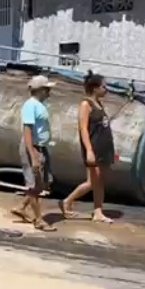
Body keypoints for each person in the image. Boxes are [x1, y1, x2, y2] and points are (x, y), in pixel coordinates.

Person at [59, 71, 115, 223]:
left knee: (99, 181)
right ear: (95, 88)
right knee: (92, 182)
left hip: (103, 149)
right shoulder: (86, 105)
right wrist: (89, 150)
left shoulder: (98, 104)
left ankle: (98, 212)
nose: (106, 89)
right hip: (93, 148)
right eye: (104, 86)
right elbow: (83, 129)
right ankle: (68, 201)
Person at [11, 75, 57, 232]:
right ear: (42, 90)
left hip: (40, 147)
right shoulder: (30, 106)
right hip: (33, 147)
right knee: (33, 185)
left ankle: (22, 207)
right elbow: (27, 131)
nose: (50, 91)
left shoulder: (38, 105)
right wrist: (33, 155)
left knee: (41, 184)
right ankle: (38, 220)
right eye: (48, 89)